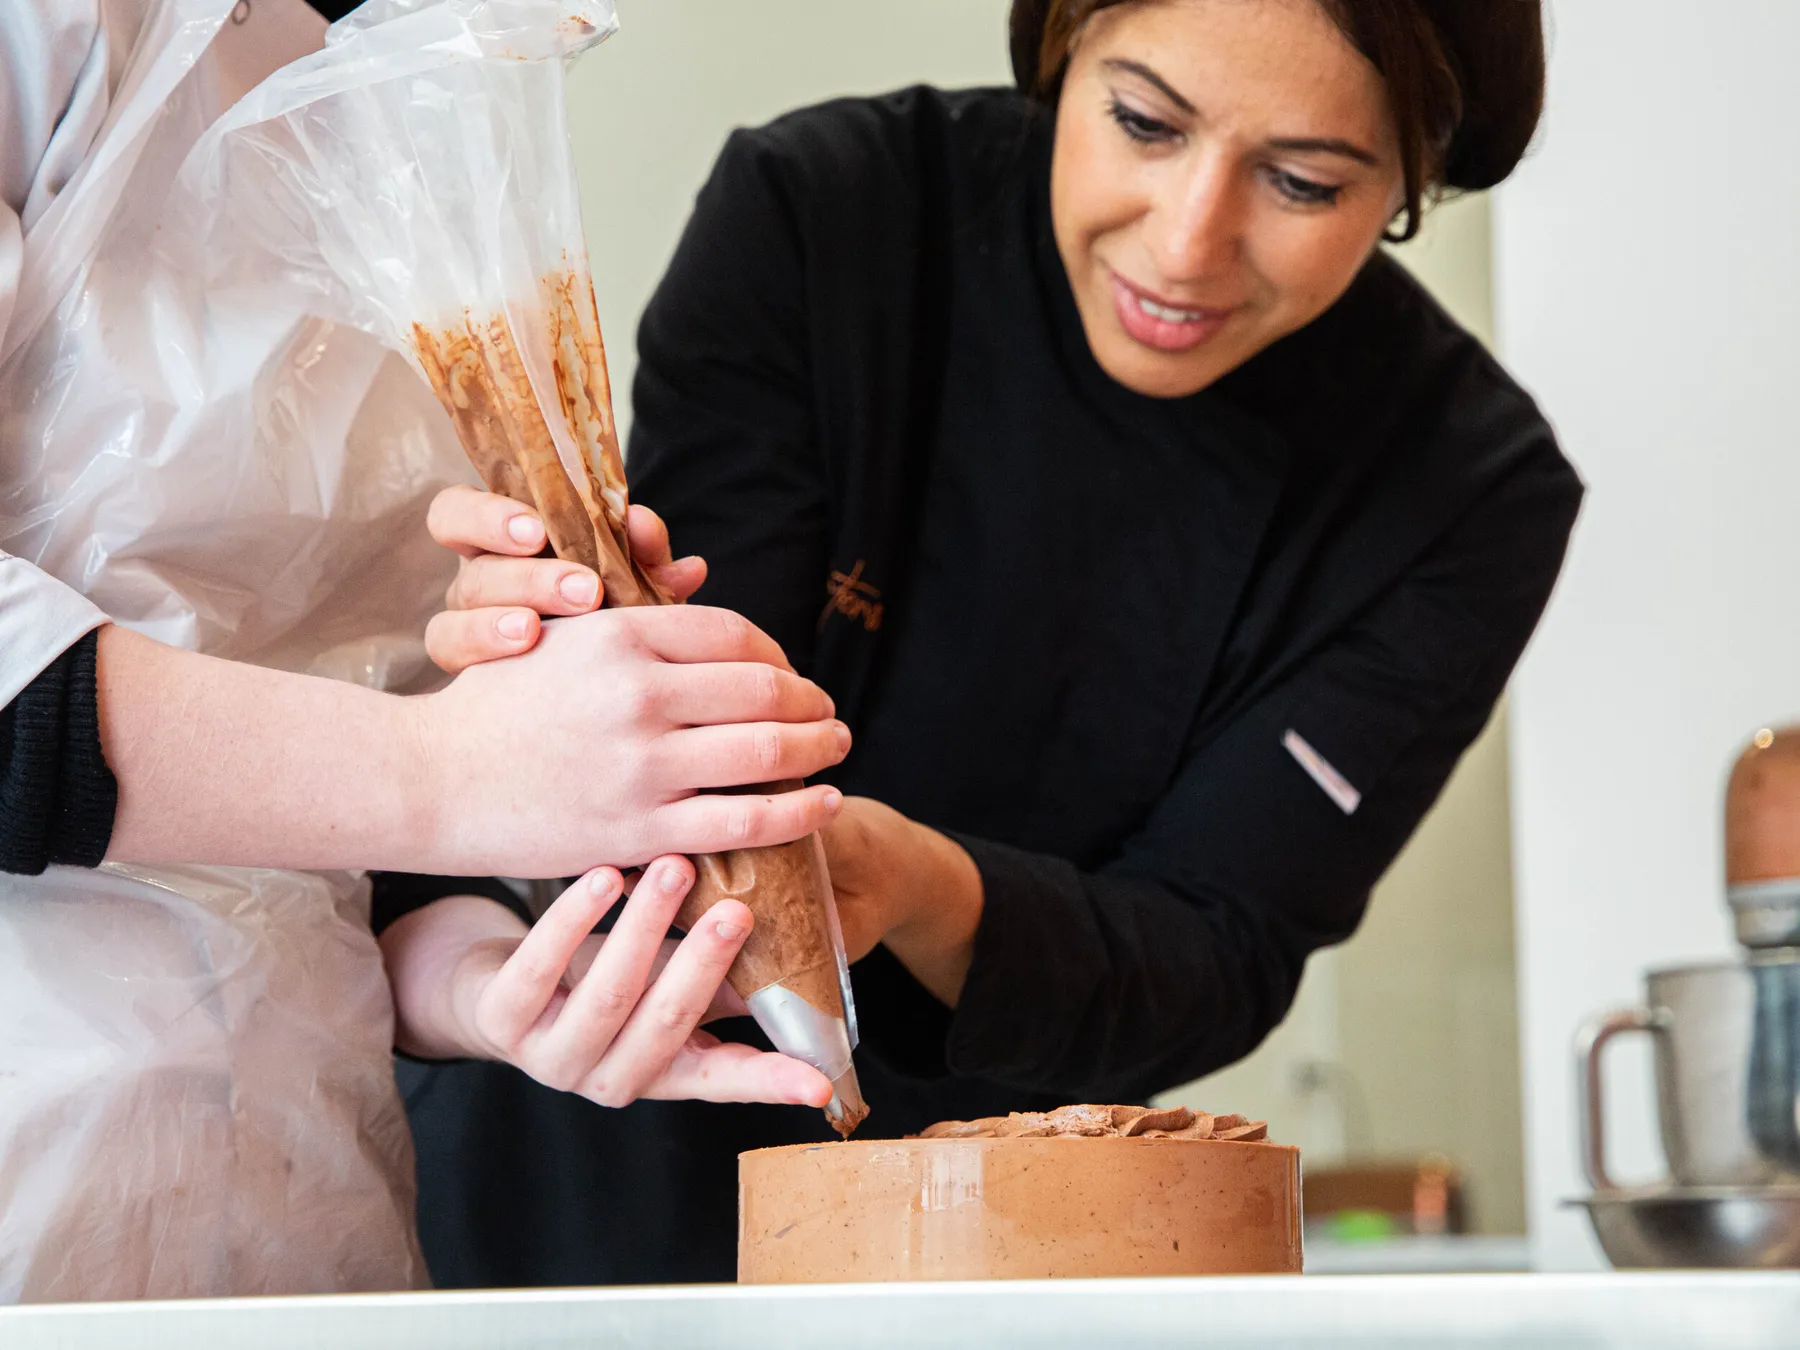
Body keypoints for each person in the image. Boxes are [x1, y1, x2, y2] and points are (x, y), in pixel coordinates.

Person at [381, 0, 1584, 1287]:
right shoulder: (832, 215)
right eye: (1145, 123)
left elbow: (1218, 944)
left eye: (1303, 182)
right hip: (591, 1144)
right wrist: (548, 638)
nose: (1187, 243)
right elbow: (672, 726)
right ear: (1064, 41)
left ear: (1417, 175)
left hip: (1028, 1217)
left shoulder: (1464, 490)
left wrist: (918, 883)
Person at [0, 0, 846, 1300]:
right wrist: (443, 772)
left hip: (299, 1205)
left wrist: (489, 977)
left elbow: (341, 815)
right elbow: (397, 763)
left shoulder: (418, 91)